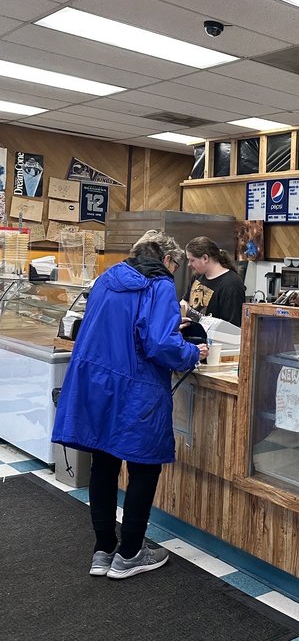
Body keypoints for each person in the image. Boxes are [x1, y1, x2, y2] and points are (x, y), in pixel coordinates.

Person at [51, 230, 206, 579]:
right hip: (138, 387)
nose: (174, 272)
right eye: (175, 265)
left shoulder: (108, 278)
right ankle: (131, 552)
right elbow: (159, 345)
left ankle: (103, 549)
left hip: (97, 383)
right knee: (144, 467)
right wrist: (191, 352)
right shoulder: (159, 285)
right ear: (166, 259)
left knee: (104, 464)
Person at [183, 236, 246, 326]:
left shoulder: (231, 284)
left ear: (205, 258)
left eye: (192, 260)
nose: (189, 264)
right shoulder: (198, 276)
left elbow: (232, 326)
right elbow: (185, 301)